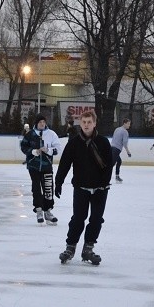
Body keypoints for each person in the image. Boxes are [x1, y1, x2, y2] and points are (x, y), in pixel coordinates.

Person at [54, 110, 113, 265]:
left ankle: (88, 249)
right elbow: (65, 164)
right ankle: (70, 247)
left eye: (89, 122)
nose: (86, 125)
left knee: (96, 219)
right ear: (81, 123)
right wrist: (58, 182)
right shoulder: (74, 143)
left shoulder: (103, 142)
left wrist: (105, 183)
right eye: (84, 122)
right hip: (81, 188)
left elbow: (109, 165)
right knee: (78, 219)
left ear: (94, 124)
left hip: (100, 189)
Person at [20, 114, 63, 225]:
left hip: (47, 166)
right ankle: (39, 210)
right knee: (36, 188)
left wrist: (48, 150)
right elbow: (23, 147)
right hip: (33, 166)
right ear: (36, 123)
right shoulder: (30, 134)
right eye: (40, 122)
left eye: (44, 122)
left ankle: (48, 211)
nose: (42, 124)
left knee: (48, 187)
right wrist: (33, 151)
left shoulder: (51, 134)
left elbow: (58, 148)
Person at [110, 118, 131, 182]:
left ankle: (117, 176)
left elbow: (113, 138)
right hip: (116, 149)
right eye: (128, 124)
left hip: (112, 147)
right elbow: (124, 143)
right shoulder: (125, 132)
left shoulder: (117, 129)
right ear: (124, 123)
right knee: (111, 164)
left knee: (119, 161)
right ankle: (104, 177)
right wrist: (128, 152)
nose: (129, 125)